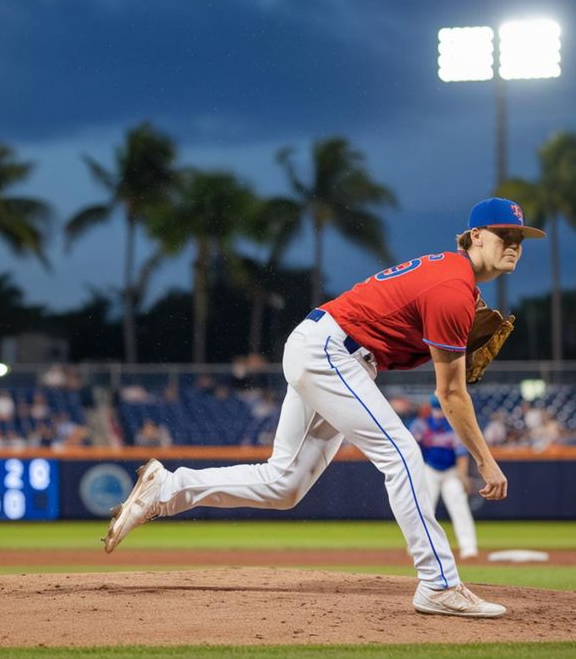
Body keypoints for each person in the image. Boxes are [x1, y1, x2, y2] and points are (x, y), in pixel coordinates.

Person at [103, 197, 545, 618]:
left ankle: (166, 489)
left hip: (325, 348)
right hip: (332, 352)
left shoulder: (452, 281)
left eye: (520, 237)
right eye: (503, 233)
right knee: (404, 455)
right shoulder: (453, 289)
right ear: (474, 236)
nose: (514, 244)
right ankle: (439, 585)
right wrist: (487, 462)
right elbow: (450, 395)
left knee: (284, 484)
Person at [412, 395, 479, 560]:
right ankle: (420, 546)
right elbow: (409, 444)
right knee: (424, 506)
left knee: (458, 504)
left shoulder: (455, 426)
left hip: (452, 472)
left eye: (441, 409)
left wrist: (462, 476)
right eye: (436, 409)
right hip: (430, 469)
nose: (439, 413)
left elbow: (462, 455)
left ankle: (468, 546)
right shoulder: (422, 424)